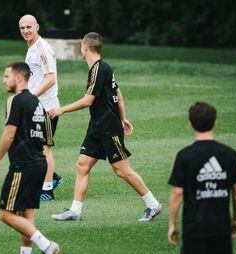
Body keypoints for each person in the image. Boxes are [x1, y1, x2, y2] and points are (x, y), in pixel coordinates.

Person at [50, 32, 162, 222]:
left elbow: (88, 100)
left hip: (108, 127)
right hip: (97, 126)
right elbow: (117, 91)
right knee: (82, 164)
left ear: (84, 47)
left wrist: (62, 110)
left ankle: (153, 205)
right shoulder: (104, 68)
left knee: (121, 170)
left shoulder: (98, 69)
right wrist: (124, 117)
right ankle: (75, 211)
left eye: (81, 46)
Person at [0, 62, 60, 254]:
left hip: (23, 165)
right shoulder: (37, 102)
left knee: (5, 214)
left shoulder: (16, 100)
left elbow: (9, 134)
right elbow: (47, 138)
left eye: (6, 76)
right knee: (26, 212)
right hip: (39, 163)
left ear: (18, 78)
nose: (4, 80)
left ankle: (46, 245)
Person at [168, 102, 236, 254]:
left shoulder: (185, 156)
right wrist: (235, 219)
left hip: (194, 228)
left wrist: (172, 224)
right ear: (215, 122)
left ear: (190, 124)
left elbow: (177, 193)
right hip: (221, 228)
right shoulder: (229, 154)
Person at [19, 14, 63, 201]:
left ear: (37, 26)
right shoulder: (32, 48)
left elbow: (50, 79)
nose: (26, 31)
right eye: (22, 28)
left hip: (47, 108)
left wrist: (31, 96)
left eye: (29, 27)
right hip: (36, 108)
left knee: (44, 148)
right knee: (32, 146)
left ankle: (47, 190)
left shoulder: (43, 48)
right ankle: (52, 177)